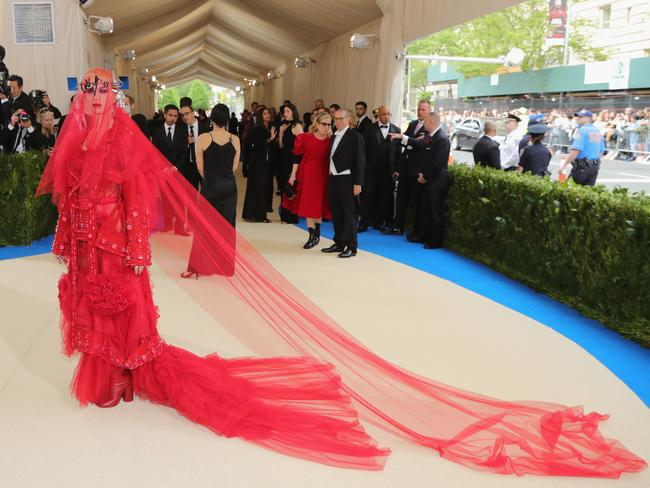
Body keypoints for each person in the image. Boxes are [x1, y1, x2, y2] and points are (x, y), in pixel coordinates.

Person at [34, 68, 647, 479]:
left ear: (111, 99)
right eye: (87, 97)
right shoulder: (77, 142)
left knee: (121, 310)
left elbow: (145, 195)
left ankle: (125, 373)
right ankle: (112, 374)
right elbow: (67, 195)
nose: (93, 103)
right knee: (95, 310)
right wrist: (79, 234)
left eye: (100, 95)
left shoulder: (125, 141)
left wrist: (128, 238)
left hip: (118, 249)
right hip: (94, 250)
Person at [182, 104, 239, 278]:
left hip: (211, 186)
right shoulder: (234, 139)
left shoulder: (204, 138)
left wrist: (211, 178)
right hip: (229, 187)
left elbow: (200, 168)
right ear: (228, 119)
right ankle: (225, 266)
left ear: (211, 119)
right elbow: (234, 167)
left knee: (204, 226)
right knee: (227, 227)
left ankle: (198, 266)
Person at [391, 111, 450, 248]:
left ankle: (435, 242)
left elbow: (438, 164)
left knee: (435, 212)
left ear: (431, 122)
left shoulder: (442, 139)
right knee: (426, 210)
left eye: (425, 121)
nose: (423, 124)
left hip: (436, 181)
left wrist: (425, 176)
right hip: (429, 180)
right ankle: (424, 236)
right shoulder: (433, 137)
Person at [284, 111, 332, 249]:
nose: (327, 127)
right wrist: (292, 175)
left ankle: (317, 233)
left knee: (319, 205)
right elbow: (297, 158)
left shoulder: (331, 141)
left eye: (329, 125)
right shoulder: (305, 138)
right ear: (316, 124)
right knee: (308, 204)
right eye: (324, 124)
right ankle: (312, 235)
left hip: (323, 175)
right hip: (307, 173)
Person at [321, 109, 365, 258]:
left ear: (348, 119)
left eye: (341, 118)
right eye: (336, 119)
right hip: (334, 178)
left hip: (348, 180)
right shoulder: (333, 136)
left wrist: (358, 183)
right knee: (336, 212)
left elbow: (360, 161)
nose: (338, 121)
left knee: (349, 214)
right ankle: (339, 242)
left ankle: (352, 246)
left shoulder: (355, 137)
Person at [387, 100, 430, 237]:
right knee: (400, 199)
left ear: (429, 111)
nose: (420, 112)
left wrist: (404, 138)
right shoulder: (412, 124)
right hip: (406, 168)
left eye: (423, 109)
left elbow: (419, 144)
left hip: (418, 170)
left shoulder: (429, 127)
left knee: (416, 202)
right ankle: (397, 227)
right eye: (418, 109)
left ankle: (415, 231)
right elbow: (405, 143)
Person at [360, 105, 400, 232]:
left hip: (388, 171)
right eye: (384, 114)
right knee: (367, 197)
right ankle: (364, 223)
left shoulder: (396, 129)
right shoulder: (369, 129)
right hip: (371, 170)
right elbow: (363, 150)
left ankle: (379, 222)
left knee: (383, 197)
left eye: (389, 114)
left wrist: (397, 169)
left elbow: (398, 153)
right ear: (378, 115)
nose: (386, 116)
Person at [151, 104, 189, 235]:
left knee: (179, 199)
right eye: (170, 115)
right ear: (165, 115)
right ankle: (167, 224)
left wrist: (175, 167)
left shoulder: (182, 131)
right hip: (162, 171)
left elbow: (184, 152)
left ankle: (179, 227)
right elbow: (155, 152)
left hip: (178, 170)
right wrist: (163, 168)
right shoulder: (157, 132)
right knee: (165, 198)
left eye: (175, 116)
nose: (173, 118)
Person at [242, 106, 275, 222]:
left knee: (260, 188)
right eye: (265, 113)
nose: (268, 115)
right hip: (257, 163)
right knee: (258, 188)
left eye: (269, 113)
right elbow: (254, 144)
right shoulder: (258, 128)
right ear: (261, 116)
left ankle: (254, 214)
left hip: (265, 163)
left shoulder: (269, 128)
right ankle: (259, 216)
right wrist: (269, 139)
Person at [557, 109, 604, 186]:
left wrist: (564, 166)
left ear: (588, 118)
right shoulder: (597, 130)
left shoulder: (582, 130)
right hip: (594, 167)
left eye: (581, 117)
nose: (577, 118)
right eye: (577, 116)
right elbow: (601, 151)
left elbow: (576, 151)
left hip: (582, 167)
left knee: (569, 191)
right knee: (587, 193)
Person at [277, 103, 303, 224]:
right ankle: (284, 216)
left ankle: (291, 217)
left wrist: (295, 168)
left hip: (293, 161)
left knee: (291, 188)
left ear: (293, 112)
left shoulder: (297, 126)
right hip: (283, 159)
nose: (285, 113)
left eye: (287, 111)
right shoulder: (283, 125)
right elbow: (281, 146)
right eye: (284, 112)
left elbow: (301, 147)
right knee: (283, 187)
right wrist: (281, 132)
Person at [180, 102, 211, 190]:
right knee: (191, 194)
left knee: (207, 193)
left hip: (204, 164)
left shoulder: (205, 127)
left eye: (187, 113)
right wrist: (187, 143)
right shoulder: (180, 128)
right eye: (182, 115)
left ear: (193, 113)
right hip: (189, 166)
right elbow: (178, 149)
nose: (185, 117)